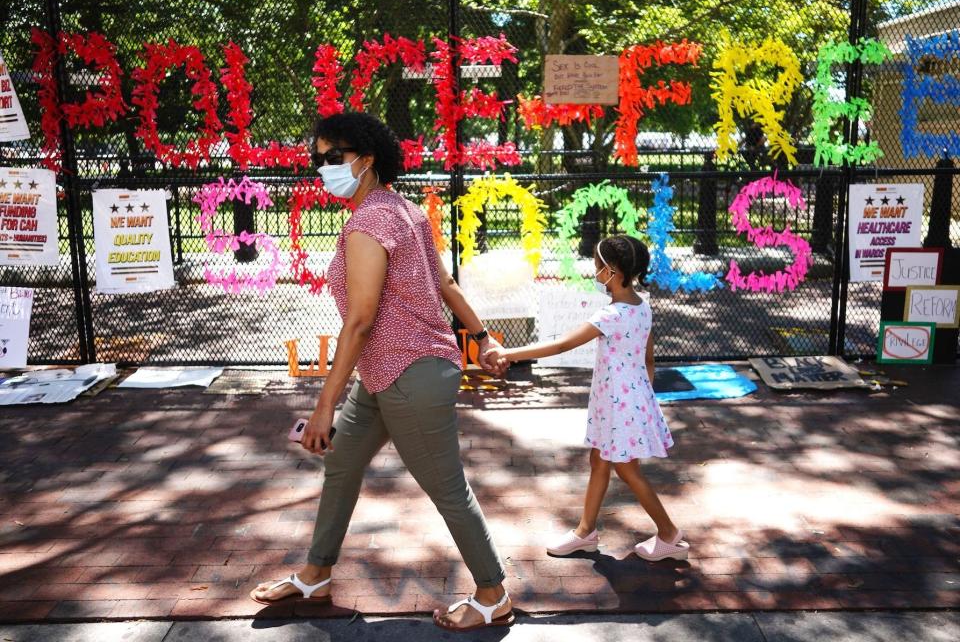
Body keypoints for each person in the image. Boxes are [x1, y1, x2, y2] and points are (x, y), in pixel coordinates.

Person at [249, 112, 514, 632]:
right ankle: (316, 573)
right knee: (342, 465)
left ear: (366, 160)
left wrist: (324, 405)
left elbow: (361, 319)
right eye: (317, 160)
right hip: (389, 374)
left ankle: (493, 592)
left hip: (409, 376)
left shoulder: (369, 221)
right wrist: (482, 339)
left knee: (446, 488)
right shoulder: (404, 210)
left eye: (334, 158)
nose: (323, 168)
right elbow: (445, 284)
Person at [484, 235, 688, 561]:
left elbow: (561, 345)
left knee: (626, 469)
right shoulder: (642, 307)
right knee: (600, 461)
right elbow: (648, 360)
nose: (594, 274)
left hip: (618, 405)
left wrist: (507, 351)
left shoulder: (611, 316)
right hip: (626, 400)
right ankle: (585, 532)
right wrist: (642, 398)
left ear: (612, 271)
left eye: (597, 267)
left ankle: (669, 534)